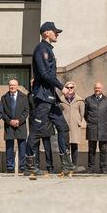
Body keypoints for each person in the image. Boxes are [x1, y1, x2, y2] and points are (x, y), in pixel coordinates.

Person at [24, 21, 75, 179]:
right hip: (42, 97)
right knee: (37, 130)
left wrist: (58, 91)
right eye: (55, 32)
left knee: (63, 127)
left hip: (50, 98)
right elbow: (45, 74)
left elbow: (49, 75)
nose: (57, 34)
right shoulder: (41, 50)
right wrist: (62, 87)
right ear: (46, 33)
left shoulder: (48, 50)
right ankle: (29, 166)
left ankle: (66, 164)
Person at [1, 79, 29, 174]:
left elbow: (26, 111)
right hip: (9, 126)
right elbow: (2, 112)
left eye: (14, 85)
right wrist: (10, 121)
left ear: (17, 86)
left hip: (20, 125)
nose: (12, 87)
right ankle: (10, 167)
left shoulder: (24, 97)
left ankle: (22, 167)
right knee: (9, 148)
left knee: (22, 147)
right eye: (10, 85)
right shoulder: (4, 98)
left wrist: (19, 121)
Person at [85, 82, 107, 174]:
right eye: (96, 88)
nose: (97, 89)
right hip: (92, 128)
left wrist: (106, 123)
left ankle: (103, 168)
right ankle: (91, 168)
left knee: (103, 150)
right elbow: (85, 114)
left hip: (103, 128)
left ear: (102, 89)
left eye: (99, 88)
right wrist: (90, 121)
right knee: (91, 150)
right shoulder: (88, 100)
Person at [60, 81, 85, 170]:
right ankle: (66, 165)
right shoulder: (61, 100)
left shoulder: (79, 100)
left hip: (75, 125)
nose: (70, 89)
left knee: (74, 145)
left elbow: (82, 113)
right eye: (68, 87)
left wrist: (78, 121)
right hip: (65, 125)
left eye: (71, 87)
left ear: (74, 88)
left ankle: (74, 165)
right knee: (65, 146)